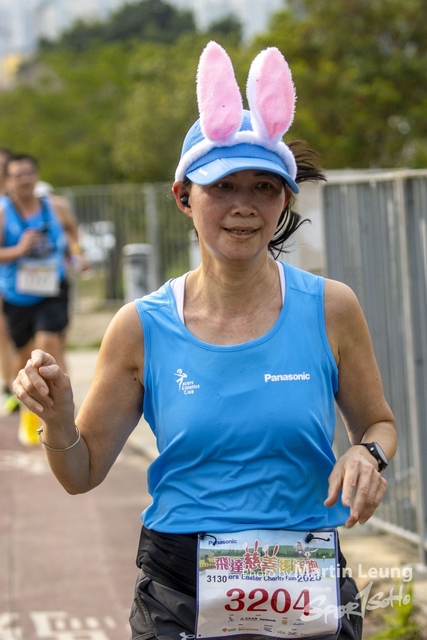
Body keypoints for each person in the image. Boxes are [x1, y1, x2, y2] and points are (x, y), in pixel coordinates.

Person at [13, 42, 397, 640]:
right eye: (223, 186)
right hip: (180, 588)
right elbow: (80, 473)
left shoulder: (331, 307)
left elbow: (378, 423)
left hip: (304, 573)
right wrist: (58, 421)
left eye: (264, 187)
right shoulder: (140, 326)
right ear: (183, 197)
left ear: (285, 199)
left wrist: (366, 454)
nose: (244, 206)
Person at [0, 153, 69, 376]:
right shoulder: (3, 213)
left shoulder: (56, 205)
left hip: (52, 287)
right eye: (18, 175)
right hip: (17, 295)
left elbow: (71, 230)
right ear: (8, 181)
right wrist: (19, 249)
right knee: (25, 355)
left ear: (37, 176)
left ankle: (62, 395)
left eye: (29, 173)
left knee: (48, 343)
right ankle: (20, 394)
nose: (25, 180)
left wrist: (78, 254)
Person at [0, 147, 17, 408]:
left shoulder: (35, 197)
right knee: (3, 332)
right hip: (5, 277)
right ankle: (7, 384)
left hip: (21, 280)